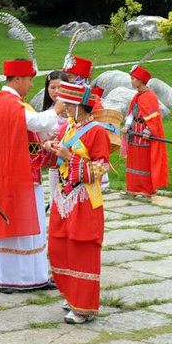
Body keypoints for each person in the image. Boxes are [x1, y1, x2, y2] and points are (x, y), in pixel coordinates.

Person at [40, 82, 110, 324]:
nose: (65, 108)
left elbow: (101, 169)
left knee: (82, 252)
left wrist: (69, 157)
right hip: (64, 197)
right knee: (59, 249)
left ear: (81, 105)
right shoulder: (69, 127)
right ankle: (71, 295)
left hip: (84, 200)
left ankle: (84, 307)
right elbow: (61, 157)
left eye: (69, 104)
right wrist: (51, 148)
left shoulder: (97, 131)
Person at [0, 59, 62, 294]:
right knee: (19, 224)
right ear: (18, 79)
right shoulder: (8, 102)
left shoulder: (11, 102)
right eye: (30, 79)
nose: (32, 84)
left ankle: (33, 276)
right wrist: (57, 110)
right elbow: (35, 122)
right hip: (15, 173)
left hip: (21, 170)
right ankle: (14, 278)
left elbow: (32, 129)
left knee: (32, 223)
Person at [122, 64, 168, 197]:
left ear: (141, 80)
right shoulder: (136, 97)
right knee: (133, 163)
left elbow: (153, 118)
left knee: (143, 165)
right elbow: (132, 114)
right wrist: (127, 125)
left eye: (133, 79)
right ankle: (132, 188)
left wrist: (148, 131)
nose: (131, 81)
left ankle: (145, 190)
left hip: (144, 137)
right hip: (134, 136)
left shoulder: (150, 97)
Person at [40, 71, 69, 204]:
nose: (56, 91)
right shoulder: (46, 114)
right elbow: (39, 140)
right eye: (52, 87)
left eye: (60, 87)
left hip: (73, 164)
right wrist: (49, 140)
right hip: (54, 166)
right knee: (55, 202)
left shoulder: (75, 111)